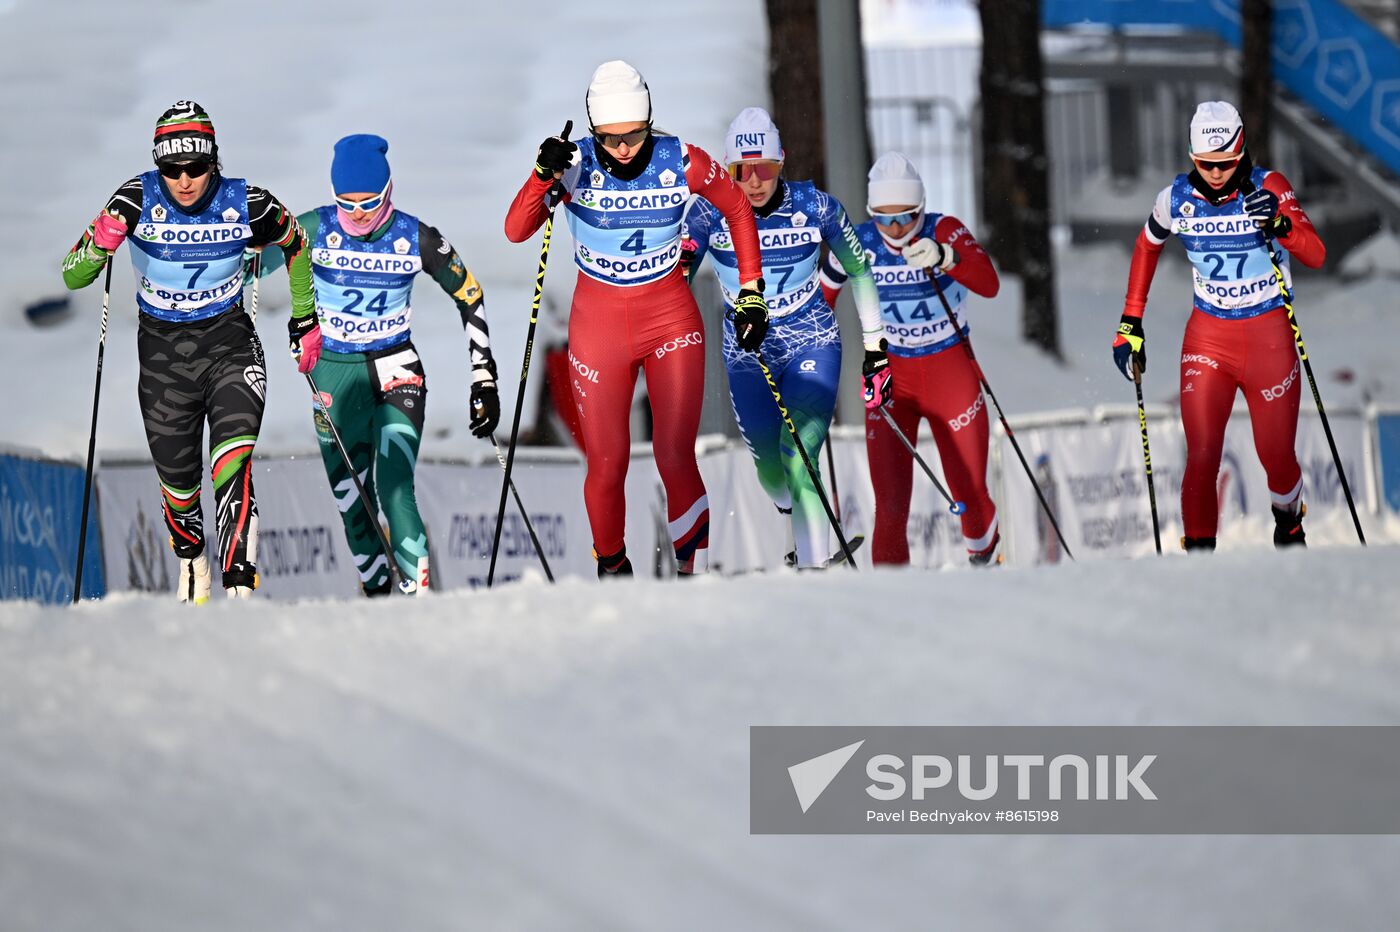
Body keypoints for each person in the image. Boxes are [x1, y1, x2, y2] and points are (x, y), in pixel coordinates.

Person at [504, 60, 767, 577]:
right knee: (607, 465)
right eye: (609, 138)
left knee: (675, 454)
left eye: (634, 135)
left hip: (670, 319)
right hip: (599, 327)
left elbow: (737, 208)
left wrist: (752, 294)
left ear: (650, 121)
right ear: (593, 129)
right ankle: (614, 571)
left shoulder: (682, 160)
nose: (623, 149)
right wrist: (541, 177)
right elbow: (516, 230)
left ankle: (696, 577)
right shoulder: (575, 164)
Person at [61, 101, 319, 602]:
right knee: (181, 493)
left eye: (196, 168)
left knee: (232, 465)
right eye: (172, 169)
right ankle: (192, 559)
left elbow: (297, 242)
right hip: (163, 359)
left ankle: (240, 583)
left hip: (229, 346)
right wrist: (100, 244)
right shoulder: (135, 198)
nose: (184, 180)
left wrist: (304, 318)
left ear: (213, 162)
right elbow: (72, 274)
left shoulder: (248, 202)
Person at [259, 134, 500, 595]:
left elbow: (469, 293)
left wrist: (483, 378)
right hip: (332, 371)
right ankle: (376, 598)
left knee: (394, 488)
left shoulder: (414, 236)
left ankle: (421, 603)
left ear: (388, 191)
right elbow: (251, 268)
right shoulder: (313, 227)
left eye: (368, 202)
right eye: (345, 203)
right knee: (353, 500)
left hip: (396, 370)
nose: (357, 214)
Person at [1112, 101, 1325, 551]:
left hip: (1269, 338)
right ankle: (1199, 567)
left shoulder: (1269, 186)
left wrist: (1281, 224)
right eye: (1204, 164)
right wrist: (1131, 320)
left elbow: (1316, 254)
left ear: (1241, 149)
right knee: (1202, 455)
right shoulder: (1175, 199)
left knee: (1277, 458)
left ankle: (1289, 522)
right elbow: (1146, 246)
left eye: (1224, 164)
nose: (1214, 173)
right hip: (1209, 338)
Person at [682, 107, 884, 569]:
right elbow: (677, 282)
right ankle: (798, 521)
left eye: (766, 169)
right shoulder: (709, 213)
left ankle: (812, 572)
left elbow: (859, 270)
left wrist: (875, 349)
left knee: (800, 457)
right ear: (725, 170)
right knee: (772, 474)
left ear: (782, 163)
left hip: (810, 338)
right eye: (741, 171)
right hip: (747, 351)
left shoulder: (816, 207)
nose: (754, 181)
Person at [822, 152, 1002, 566]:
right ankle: (892, 609)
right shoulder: (856, 242)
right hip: (890, 380)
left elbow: (989, 283)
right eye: (883, 220)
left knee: (970, 492)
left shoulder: (945, 229)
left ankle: (989, 575)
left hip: (949, 375)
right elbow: (820, 304)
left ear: (922, 207)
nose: (897, 230)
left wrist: (946, 258)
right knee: (889, 508)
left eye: (906, 217)